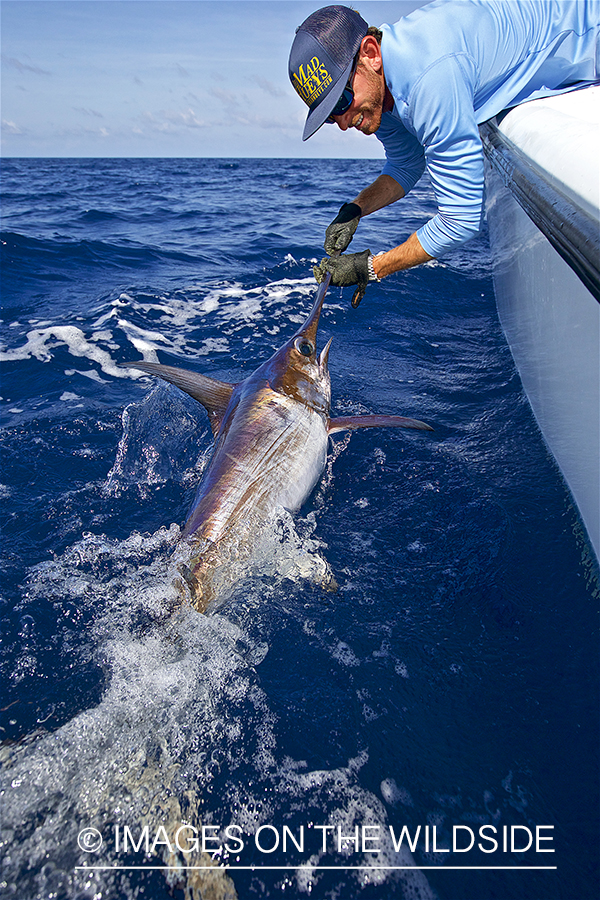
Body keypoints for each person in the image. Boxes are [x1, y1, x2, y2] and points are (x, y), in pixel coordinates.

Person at [288, 2, 600, 306]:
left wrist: (369, 269)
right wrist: (354, 210)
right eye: (330, 115)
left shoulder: (428, 79)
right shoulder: (379, 96)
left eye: (342, 101)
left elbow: (460, 219)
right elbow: (405, 165)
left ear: (370, 53)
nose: (343, 123)